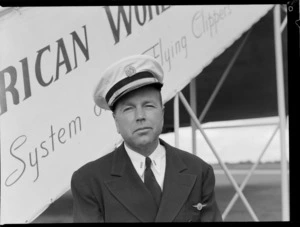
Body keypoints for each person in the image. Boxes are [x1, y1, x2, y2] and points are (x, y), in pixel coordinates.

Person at [71, 55, 222, 222]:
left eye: (148, 106)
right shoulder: (89, 181)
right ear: (116, 121)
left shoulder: (199, 171)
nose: (140, 116)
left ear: (162, 113)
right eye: (128, 109)